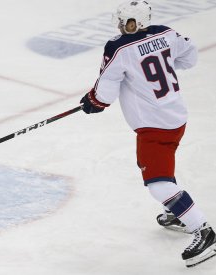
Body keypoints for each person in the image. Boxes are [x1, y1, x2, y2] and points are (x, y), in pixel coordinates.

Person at [79, 0, 215, 268]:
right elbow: (190, 56)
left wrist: (93, 101)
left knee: (157, 182)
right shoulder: (166, 32)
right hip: (176, 118)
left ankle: (204, 231)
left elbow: (106, 90)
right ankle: (177, 214)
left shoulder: (117, 47)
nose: (121, 25)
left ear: (138, 22)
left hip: (154, 126)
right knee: (162, 167)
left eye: (126, 21)